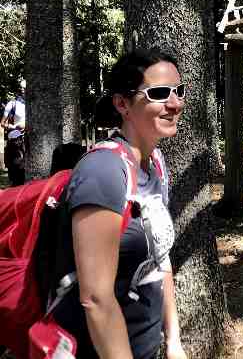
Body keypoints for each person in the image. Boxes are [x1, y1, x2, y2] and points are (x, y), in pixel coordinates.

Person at [49, 48, 188, 359]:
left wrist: (173, 340)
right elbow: (96, 299)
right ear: (122, 104)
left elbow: (159, 259)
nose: (175, 103)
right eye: (160, 93)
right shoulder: (104, 172)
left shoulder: (155, 162)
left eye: (179, 90)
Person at [1, 83, 27, 186]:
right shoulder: (12, 104)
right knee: (16, 172)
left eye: (25, 88)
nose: (23, 90)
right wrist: (14, 127)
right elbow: (2, 123)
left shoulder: (33, 103)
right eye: (21, 88)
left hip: (29, 141)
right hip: (16, 142)